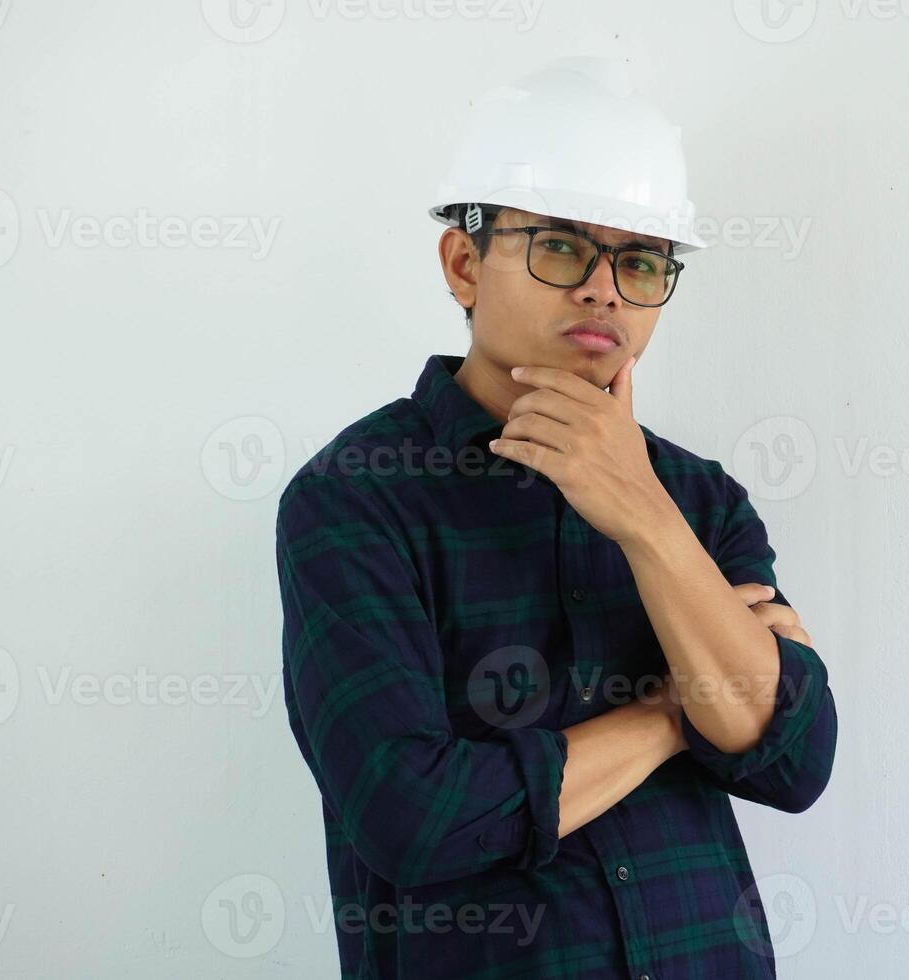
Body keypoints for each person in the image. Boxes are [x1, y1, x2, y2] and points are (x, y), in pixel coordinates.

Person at [276, 55, 838, 979]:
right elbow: (412, 820)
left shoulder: (698, 499)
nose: (604, 290)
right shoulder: (356, 499)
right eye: (563, 246)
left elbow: (793, 760)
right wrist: (674, 711)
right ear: (465, 262)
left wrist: (647, 521)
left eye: (642, 260)